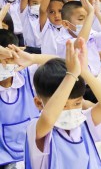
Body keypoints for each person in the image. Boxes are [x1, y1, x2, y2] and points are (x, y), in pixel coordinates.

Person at [25, 38, 101, 168]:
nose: (71, 111)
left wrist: (84, 72)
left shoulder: (82, 122)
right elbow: (48, 118)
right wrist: (71, 75)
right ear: (39, 103)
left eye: (77, 103)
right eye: (63, 106)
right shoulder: (36, 128)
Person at [0, 30, 55, 168]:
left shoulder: (27, 75)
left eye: (8, 59)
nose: (4, 64)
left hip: (33, 150)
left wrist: (33, 58)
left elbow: (60, 62)